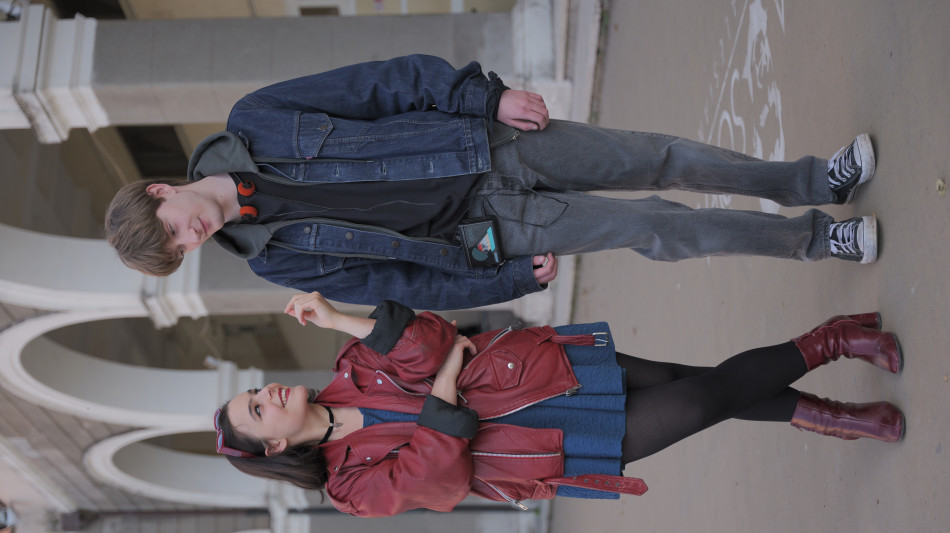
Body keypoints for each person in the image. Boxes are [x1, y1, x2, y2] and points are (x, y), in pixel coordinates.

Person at [107, 54, 879, 310]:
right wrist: (505, 281)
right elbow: (399, 283)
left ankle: (814, 179)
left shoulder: (255, 120)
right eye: (180, 249)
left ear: (161, 191)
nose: (190, 235)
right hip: (486, 232)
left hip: (486, 145)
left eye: (172, 227)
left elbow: (382, 85)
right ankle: (818, 239)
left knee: (658, 157)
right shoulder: (274, 259)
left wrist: (485, 98)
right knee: (655, 225)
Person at [214, 292, 904, 518]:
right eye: (258, 411)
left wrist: (341, 318)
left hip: (543, 373)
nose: (267, 394)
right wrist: (446, 379)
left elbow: (430, 341)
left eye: (255, 392)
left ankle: (834, 416)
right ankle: (833, 340)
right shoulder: (347, 487)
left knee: (693, 380)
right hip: (546, 447)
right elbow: (436, 476)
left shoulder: (351, 363)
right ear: (273, 447)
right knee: (699, 401)